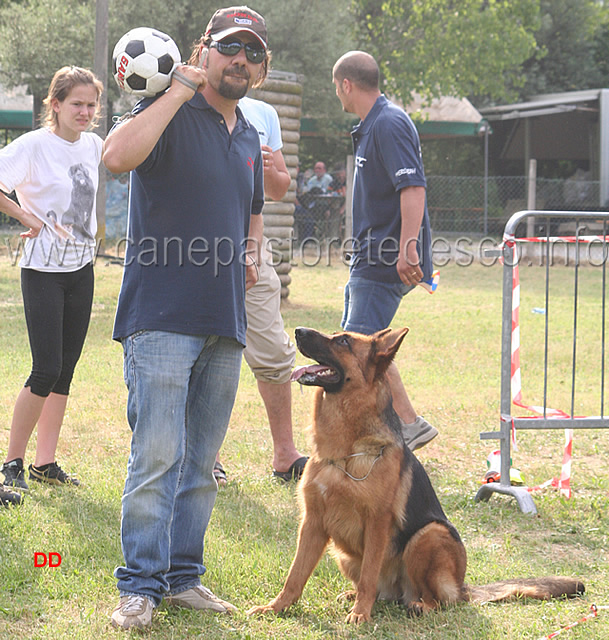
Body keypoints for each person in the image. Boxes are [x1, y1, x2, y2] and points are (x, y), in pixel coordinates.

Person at [103, 5, 268, 631]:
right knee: (157, 455)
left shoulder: (249, 131)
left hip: (225, 320)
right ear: (205, 50)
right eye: (230, 48)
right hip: (160, 316)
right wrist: (179, 88)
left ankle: (181, 580)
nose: (241, 61)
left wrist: (253, 246)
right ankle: (138, 586)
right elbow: (117, 157)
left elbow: (253, 205)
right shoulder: (168, 107)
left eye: (253, 52)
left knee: (201, 462)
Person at [0, 66, 103, 491]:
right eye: (77, 104)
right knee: (45, 369)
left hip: (82, 269)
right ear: (55, 105)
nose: (85, 112)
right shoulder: (33, 146)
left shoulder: (95, 145)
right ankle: (11, 465)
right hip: (43, 270)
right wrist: (24, 215)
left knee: (65, 372)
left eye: (91, 105)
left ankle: (45, 465)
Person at [332, 51, 438, 451]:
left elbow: (412, 188)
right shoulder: (371, 123)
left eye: (337, 89)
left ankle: (398, 428)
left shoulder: (389, 123)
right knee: (365, 346)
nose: (338, 97)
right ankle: (408, 424)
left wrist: (408, 246)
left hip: (384, 258)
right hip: (370, 256)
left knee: (355, 355)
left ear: (346, 85)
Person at [213, 94, 307, 486]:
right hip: (196, 248)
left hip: (253, 246)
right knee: (204, 349)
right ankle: (206, 458)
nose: (242, 61)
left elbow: (281, 188)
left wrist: (270, 170)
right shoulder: (186, 104)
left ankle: (285, 455)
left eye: (252, 54)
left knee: (271, 348)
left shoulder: (264, 112)